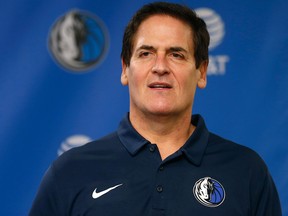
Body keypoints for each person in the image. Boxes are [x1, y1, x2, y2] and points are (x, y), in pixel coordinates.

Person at [29, 2, 282, 215]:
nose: (160, 67)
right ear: (125, 69)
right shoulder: (71, 171)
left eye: (176, 54)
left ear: (202, 72)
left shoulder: (246, 171)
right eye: (146, 53)